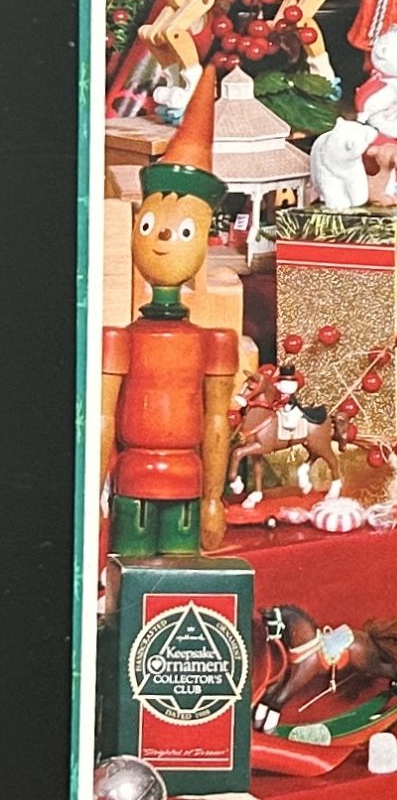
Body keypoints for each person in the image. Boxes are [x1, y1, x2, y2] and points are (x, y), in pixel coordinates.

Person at [99, 71, 237, 558]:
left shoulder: (214, 340)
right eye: (150, 225)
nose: (160, 237)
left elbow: (217, 420)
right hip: (130, 481)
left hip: (187, 485)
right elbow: (103, 418)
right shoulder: (119, 337)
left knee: (178, 578)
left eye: (182, 231)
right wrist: (95, 496)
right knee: (127, 571)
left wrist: (214, 499)